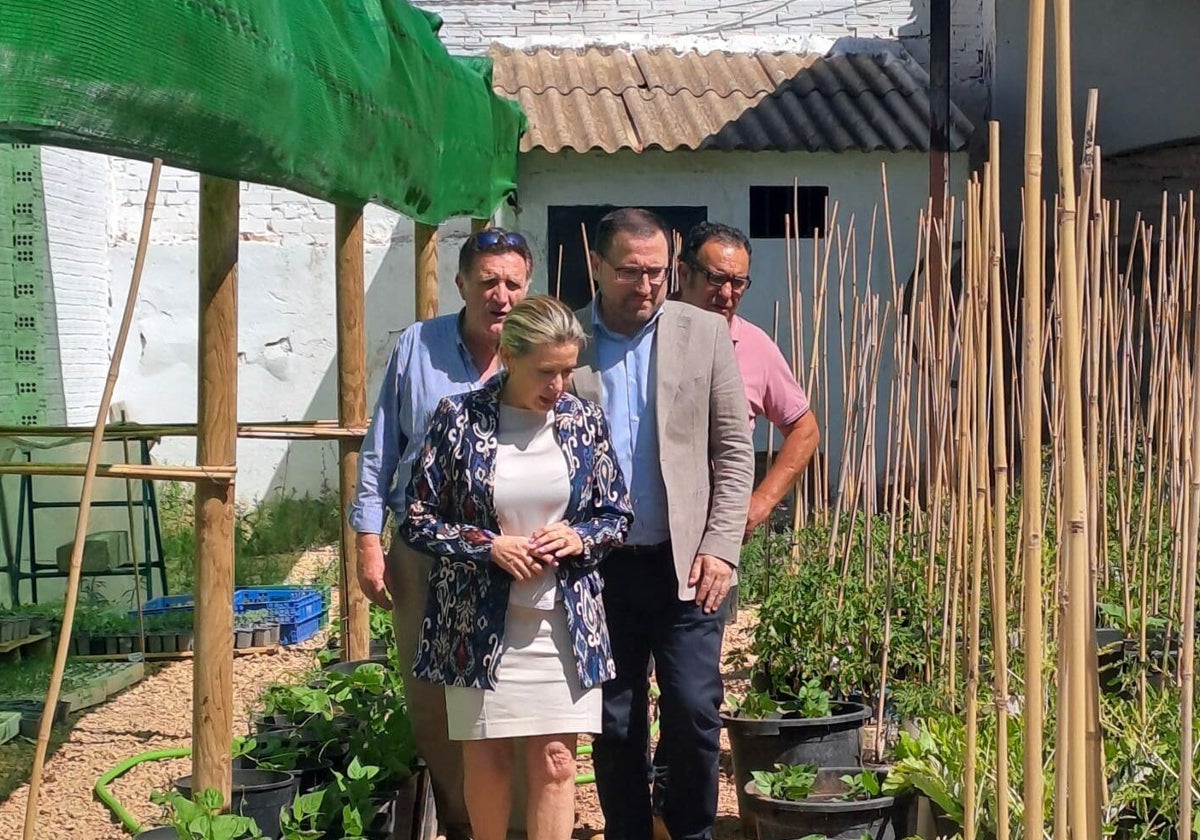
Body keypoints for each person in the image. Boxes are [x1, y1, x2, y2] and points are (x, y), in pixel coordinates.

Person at [399, 295, 634, 840]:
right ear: (508, 355)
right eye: (546, 371)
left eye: (568, 370)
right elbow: (417, 518)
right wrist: (488, 546)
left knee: (556, 761)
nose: (558, 385)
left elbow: (616, 513)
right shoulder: (457, 418)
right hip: (477, 626)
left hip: (563, 622)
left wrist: (578, 536)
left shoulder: (583, 421)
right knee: (489, 762)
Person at [571, 208, 755, 840]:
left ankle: (691, 831)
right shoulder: (568, 342)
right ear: (596, 265)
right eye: (629, 272)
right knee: (615, 719)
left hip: (688, 565)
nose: (646, 285)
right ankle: (627, 830)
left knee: (695, 712)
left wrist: (722, 546)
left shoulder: (701, 333)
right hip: (598, 567)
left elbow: (734, 451)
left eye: (656, 271)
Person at [348, 227, 532, 840]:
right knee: (432, 697)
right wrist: (369, 541)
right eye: (487, 282)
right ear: (461, 285)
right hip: (426, 552)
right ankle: (461, 819)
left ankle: (519, 824)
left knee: (512, 690)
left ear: (527, 288)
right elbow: (380, 450)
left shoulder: (539, 350)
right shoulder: (416, 347)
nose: (499, 295)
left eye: (512, 283)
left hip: (510, 554)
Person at [674, 221, 820, 540]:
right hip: (644, 531)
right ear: (684, 274)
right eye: (716, 279)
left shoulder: (755, 345)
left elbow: (804, 430)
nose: (727, 294)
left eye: (737, 282)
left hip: (714, 534)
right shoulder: (649, 334)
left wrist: (762, 501)